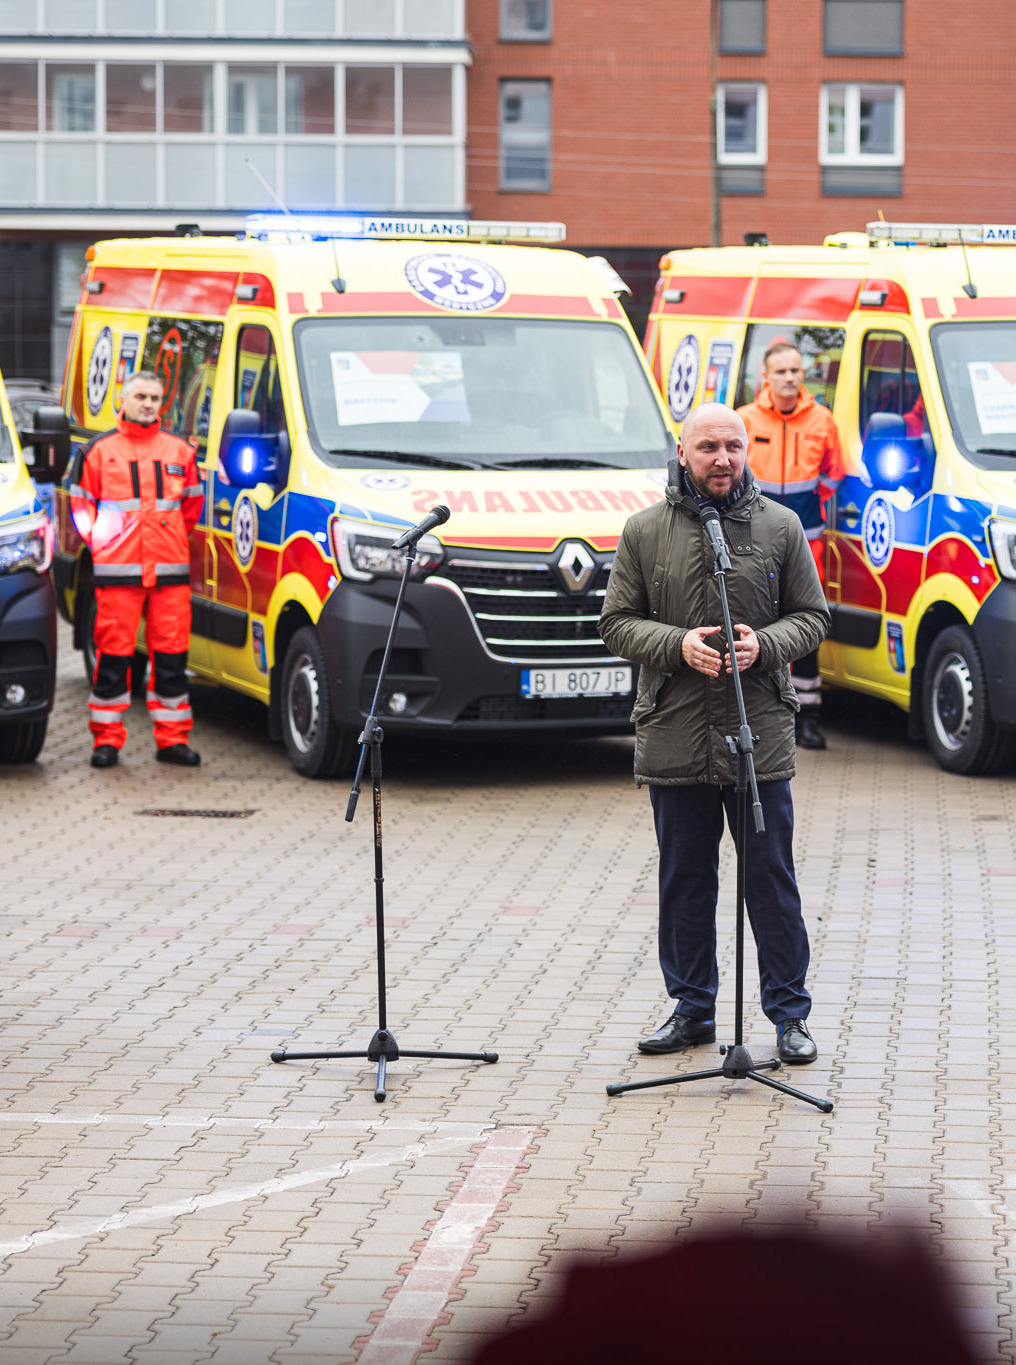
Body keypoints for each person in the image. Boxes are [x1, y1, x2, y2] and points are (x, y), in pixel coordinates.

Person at [599, 403, 829, 1064]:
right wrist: (676, 645)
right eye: (708, 447)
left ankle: (789, 1015)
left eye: (733, 445)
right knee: (685, 882)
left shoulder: (780, 527)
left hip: (760, 736)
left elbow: (812, 616)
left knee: (772, 881)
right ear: (682, 451)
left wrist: (768, 643)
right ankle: (693, 1009)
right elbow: (616, 623)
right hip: (674, 733)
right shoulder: (643, 531)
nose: (723, 458)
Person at [69, 370, 203, 769]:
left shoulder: (180, 451)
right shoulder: (99, 451)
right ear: (122, 399)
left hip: (169, 575)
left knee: (173, 662)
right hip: (118, 574)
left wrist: (168, 540)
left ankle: (172, 740)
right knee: (112, 660)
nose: (148, 403)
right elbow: (81, 506)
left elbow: (190, 510)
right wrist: (101, 544)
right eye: (141, 396)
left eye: (155, 397)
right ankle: (106, 741)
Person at [737, 342, 844, 749]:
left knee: (804, 623)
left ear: (803, 374)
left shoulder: (822, 420)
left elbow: (834, 475)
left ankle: (808, 716)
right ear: (765, 377)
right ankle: (756, 714)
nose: (789, 378)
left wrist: (810, 510)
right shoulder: (745, 420)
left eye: (795, 370)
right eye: (780, 371)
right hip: (754, 540)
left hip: (806, 542)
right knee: (757, 621)